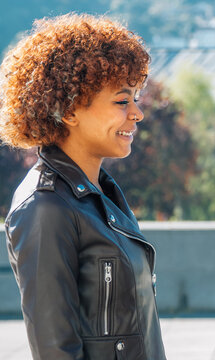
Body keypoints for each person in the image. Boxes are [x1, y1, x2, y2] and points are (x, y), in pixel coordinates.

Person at [0, 14, 167, 359]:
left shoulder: (102, 194)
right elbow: (55, 350)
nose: (137, 113)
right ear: (70, 110)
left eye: (136, 98)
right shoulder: (44, 207)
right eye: (122, 101)